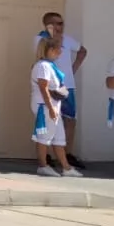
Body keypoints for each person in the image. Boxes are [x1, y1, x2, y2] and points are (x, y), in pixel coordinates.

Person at [34, 12, 88, 170]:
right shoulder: (40, 39)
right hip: (49, 85)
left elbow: (83, 51)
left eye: (61, 23)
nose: (59, 26)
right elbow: (39, 57)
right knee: (46, 119)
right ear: (47, 25)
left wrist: (73, 69)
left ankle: (66, 154)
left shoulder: (68, 40)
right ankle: (44, 157)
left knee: (70, 120)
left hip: (67, 86)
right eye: (55, 23)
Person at [32, 36, 80, 177]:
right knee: (44, 136)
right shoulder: (43, 66)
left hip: (53, 105)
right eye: (59, 49)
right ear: (50, 50)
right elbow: (43, 88)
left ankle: (66, 167)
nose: (60, 52)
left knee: (58, 136)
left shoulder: (50, 65)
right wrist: (51, 108)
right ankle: (43, 165)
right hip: (45, 106)